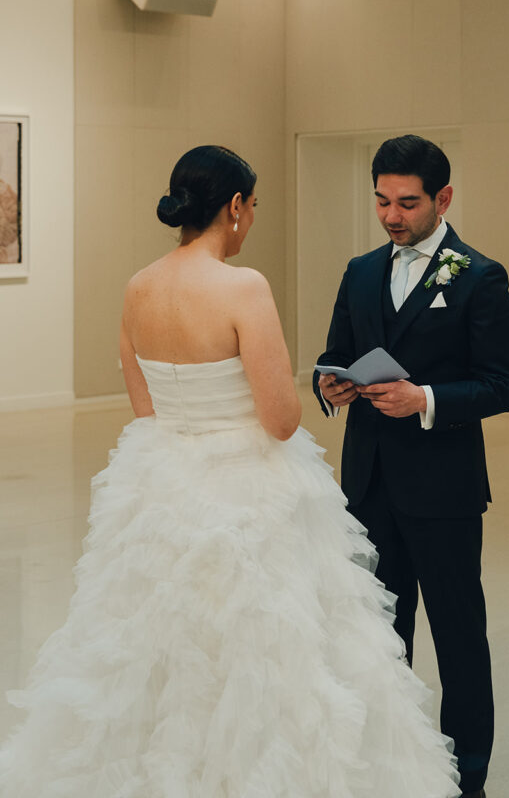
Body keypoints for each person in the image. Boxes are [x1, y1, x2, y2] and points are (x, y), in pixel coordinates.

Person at [0, 144, 460, 797]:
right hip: (247, 487)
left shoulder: (139, 286)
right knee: (266, 644)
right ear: (236, 207)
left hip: (162, 482)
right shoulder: (242, 287)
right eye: (253, 208)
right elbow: (278, 418)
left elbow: (144, 407)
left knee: (166, 640)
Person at [314, 134, 509, 798]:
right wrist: (328, 387)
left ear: (443, 198)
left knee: (459, 640)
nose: (391, 216)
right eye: (381, 200)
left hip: (444, 490)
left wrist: (424, 399)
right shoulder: (360, 270)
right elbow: (334, 353)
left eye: (407, 203)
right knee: (380, 636)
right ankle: (390, 765)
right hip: (369, 483)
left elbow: (501, 385)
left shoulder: (479, 277)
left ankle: (467, 779)